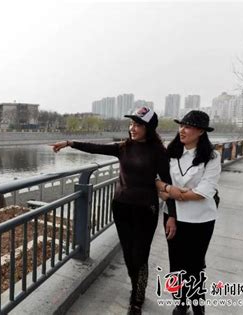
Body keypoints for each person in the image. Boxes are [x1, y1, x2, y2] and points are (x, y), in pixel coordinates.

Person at [51, 107, 176, 315]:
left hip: (146, 210)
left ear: (149, 128)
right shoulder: (123, 147)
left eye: (138, 125)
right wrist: (69, 143)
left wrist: (172, 214)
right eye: (131, 124)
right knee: (128, 255)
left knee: (140, 255)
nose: (132, 128)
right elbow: (95, 148)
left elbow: (167, 182)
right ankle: (136, 288)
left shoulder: (158, 152)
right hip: (121, 207)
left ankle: (137, 298)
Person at [155, 111, 220, 315]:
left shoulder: (211, 157)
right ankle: (181, 304)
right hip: (173, 217)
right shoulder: (170, 152)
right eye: (181, 125)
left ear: (200, 131)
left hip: (201, 219)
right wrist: (168, 191)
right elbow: (157, 180)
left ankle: (198, 307)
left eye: (188, 126)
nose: (182, 130)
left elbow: (204, 191)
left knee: (195, 265)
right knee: (176, 263)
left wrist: (172, 192)